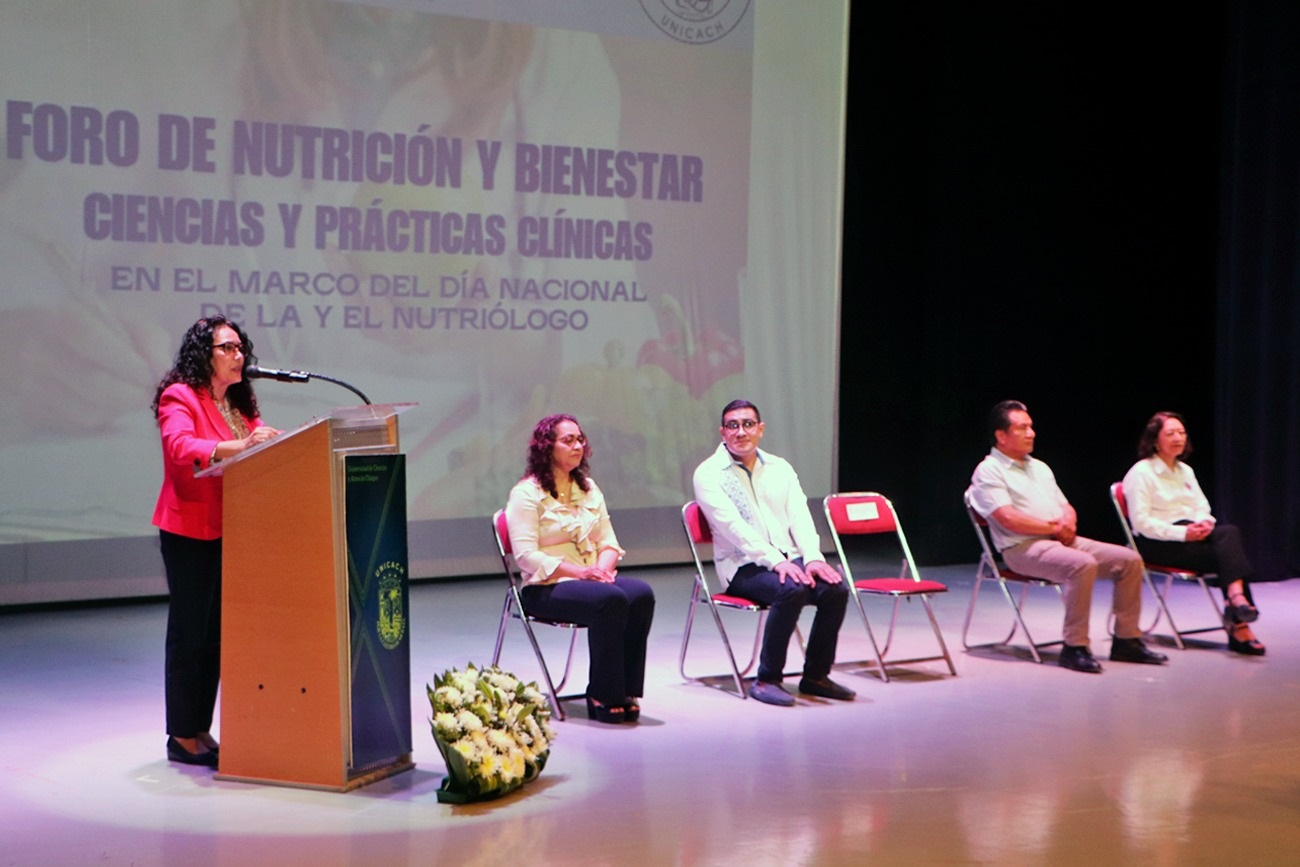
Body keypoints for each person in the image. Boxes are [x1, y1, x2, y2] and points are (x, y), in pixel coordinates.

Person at [151, 316, 281, 767]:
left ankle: (200, 728)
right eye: (227, 347)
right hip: (188, 530)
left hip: (232, 527)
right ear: (204, 355)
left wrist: (267, 442)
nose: (238, 354)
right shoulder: (180, 396)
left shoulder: (239, 404)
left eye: (240, 347)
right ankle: (180, 735)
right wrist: (242, 447)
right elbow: (180, 446)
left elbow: (255, 444)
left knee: (216, 637)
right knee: (189, 634)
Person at [967, 400, 1167, 673]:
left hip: (1060, 539)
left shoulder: (1040, 467)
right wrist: (1053, 528)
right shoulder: (989, 470)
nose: (1031, 433)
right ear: (1001, 436)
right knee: (1081, 564)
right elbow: (1007, 518)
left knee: (1130, 560)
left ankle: (1127, 641)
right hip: (1022, 548)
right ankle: (1074, 647)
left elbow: (1065, 506)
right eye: (1022, 428)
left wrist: (1067, 522)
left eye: (1031, 427)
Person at [692, 399, 854, 706]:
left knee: (835, 588)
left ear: (761, 429)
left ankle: (816, 676)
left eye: (748, 424)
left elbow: (800, 516)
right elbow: (732, 528)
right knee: (790, 590)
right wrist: (776, 561)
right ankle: (767, 679)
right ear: (722, 432)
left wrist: (813, 558)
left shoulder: (780, 468)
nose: (741, 432)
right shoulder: (709, 473)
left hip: (788, 557)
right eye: (733, 425)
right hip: (742, 565)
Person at [505, 414, 655, 724]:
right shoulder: (526, 494)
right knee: (610, 601)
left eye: (580, 439)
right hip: (546, 587)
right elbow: (525, 555)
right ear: (547, 447)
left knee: (640, 594)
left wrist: (600, 570)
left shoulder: (588, 488)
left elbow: (609, 542)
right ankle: (603, 692)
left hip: (591, 580)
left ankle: (626, 689)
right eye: (568, 440)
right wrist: (581, 573)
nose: (578, 446)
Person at [1121, 411, 1268, 655]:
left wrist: (1203, 524)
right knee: (1228, 557)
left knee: (1228, 532)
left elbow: (1202, 507)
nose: (1178, 438)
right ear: (1155, 440)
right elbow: (1142, 523)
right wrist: (1183, 534)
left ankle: (1236, 600)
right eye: (1170, 433)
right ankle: (1238, 620)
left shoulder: (1185, 471)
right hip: (1157, 541)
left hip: (1191, 534)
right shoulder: (1141, 473)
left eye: (1181, 433)